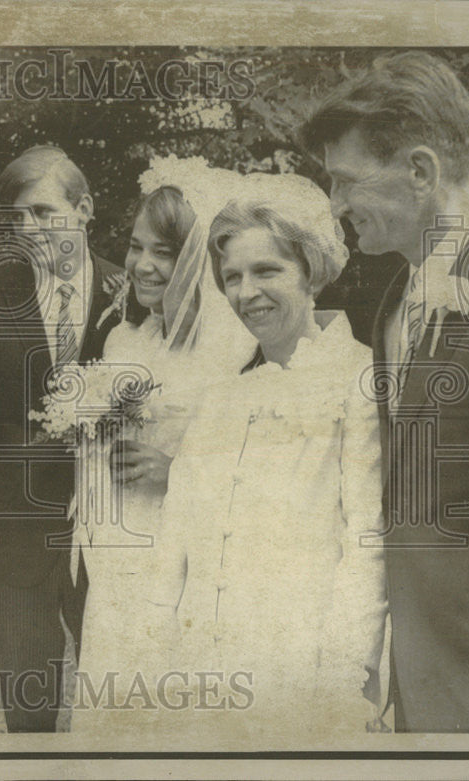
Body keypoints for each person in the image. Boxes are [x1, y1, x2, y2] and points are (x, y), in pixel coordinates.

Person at [137, 175, 387, 737]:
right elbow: (174, 546)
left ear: (312, 269)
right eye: (232, 277)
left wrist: (341, 682)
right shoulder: (222, 395)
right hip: (204, 669)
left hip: (302, 669)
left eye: (266, 271)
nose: (246, 293)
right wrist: (155, 658)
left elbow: (366, 543)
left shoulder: (358, 378)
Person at [301, 50, 469, 733]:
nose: (334, 205)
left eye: (345, 181)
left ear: (419, 171)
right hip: (419, 679)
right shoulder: (393, 299)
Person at [0, 145, 124, 731]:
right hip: (13, 532)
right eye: (16, 219)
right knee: (28, 710)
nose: (29, 231)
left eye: (45, 213)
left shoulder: (136, 297)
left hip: (113, 533)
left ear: (86, 208)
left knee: (121, 702)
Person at [74, 157, 254, 722]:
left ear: (199, 258)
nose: (142, 265)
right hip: (116, 542)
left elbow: (261, 462)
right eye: (135, 246)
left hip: (189, 552)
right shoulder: (124, 338)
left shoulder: (237, 345)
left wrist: (178, 469)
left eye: (164, 251)